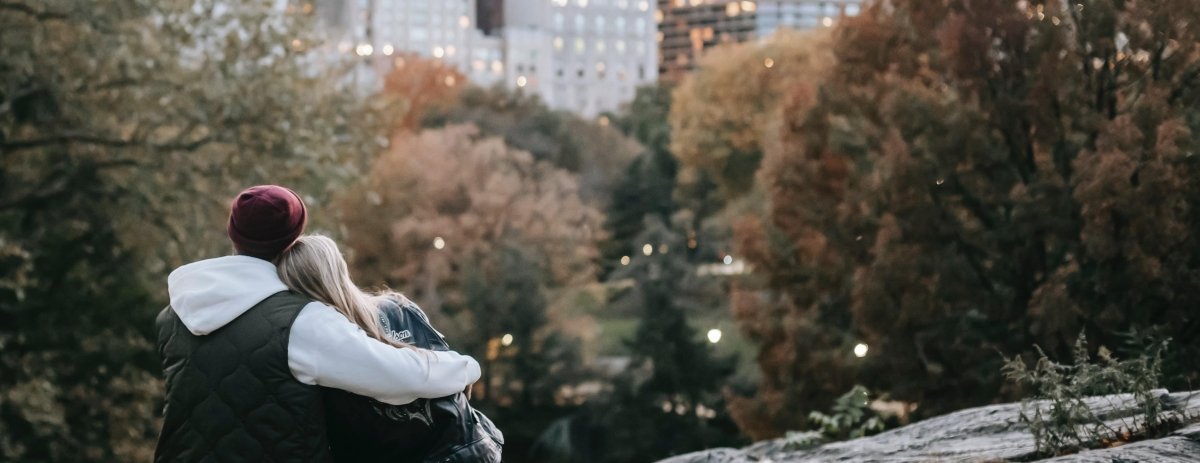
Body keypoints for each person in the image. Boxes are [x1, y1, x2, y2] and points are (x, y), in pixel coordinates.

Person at [154, 185, 482, 463]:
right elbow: (400, 377)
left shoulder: (175, 315)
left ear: (233, 233)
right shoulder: (301, 322)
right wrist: (464, 368)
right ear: (294, 236)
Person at [277, 235, 503, 463]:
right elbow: (455, 384)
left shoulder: (319, 347)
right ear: (339, 268)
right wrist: (468, 368)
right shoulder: (398, 307)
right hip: (468, 447)